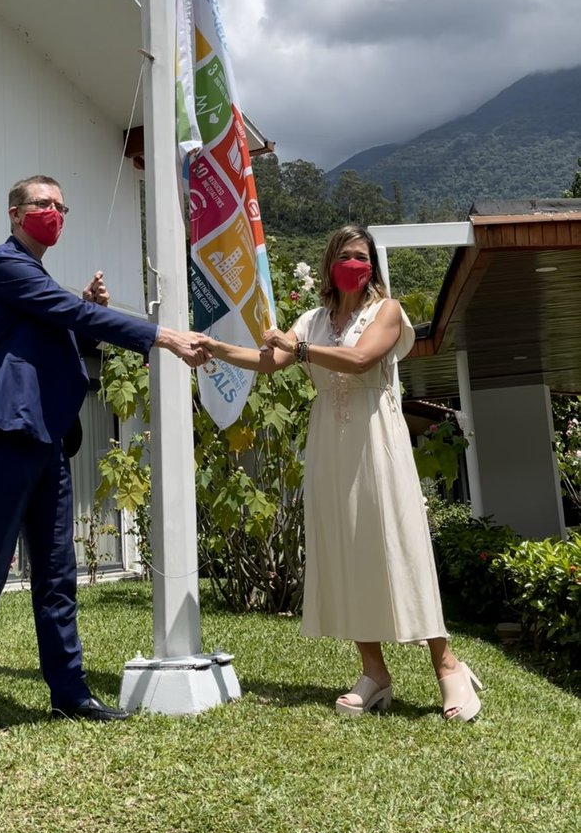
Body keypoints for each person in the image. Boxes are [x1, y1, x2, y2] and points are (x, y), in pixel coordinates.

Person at [0, 175, 209, 750]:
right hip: (5, 434)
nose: (55, 213)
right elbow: (69, 316)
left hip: (48, 440)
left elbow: (58, 330)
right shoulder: (5, 267)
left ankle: (70, 693)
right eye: (44, 204)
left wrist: (82, 310)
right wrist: (161, 334)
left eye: (63, 206)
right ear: (16, 213)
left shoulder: (36, 281)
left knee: (58, 576)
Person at [204, 225, 482, 722]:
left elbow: (359, 360)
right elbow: (269, 361)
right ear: (331, 262)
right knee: (347, 547)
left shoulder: (387, 312)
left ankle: (448, 667)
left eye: (363, 255)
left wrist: (301, 350)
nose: (357, 262)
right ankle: (374, 672)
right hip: (330, 443)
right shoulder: (312, 319)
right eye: (347, 255)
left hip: (378, 438)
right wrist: (214, 350)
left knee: (398, 543)